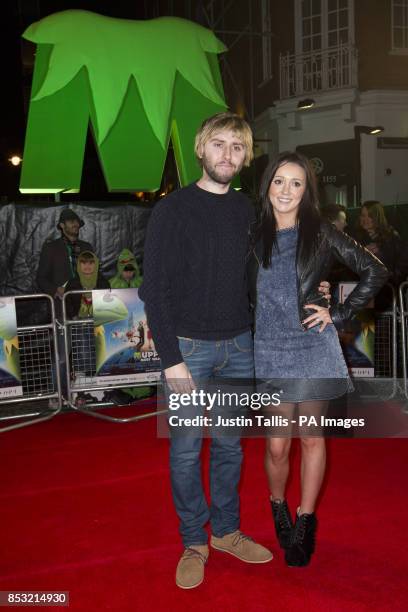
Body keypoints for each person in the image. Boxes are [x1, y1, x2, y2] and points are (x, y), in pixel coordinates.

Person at [139, 112, 276, 589]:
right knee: (184, 453)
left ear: (246, 156)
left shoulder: (247, 212)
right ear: (200, 149)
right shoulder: (172, 211)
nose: (227, 156)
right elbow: (153, 290)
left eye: (237, 148)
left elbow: (267, 274)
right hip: (190, 351)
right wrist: (172, 358)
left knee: (230, 449)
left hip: (241, 346)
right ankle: (194, 540)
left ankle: (226, 531)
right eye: (218, 145)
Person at [250, 151, 389, 568]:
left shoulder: (322, 231)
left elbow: (375, 270)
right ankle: (278, 505)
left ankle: (305, 520)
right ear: (268, 186)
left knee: (311, 438)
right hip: (270, 348)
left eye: (296, 183)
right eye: (279, 181)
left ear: (307, 190)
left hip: (314, 346)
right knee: (277, 446)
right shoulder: (253, 232)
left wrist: (341, 313)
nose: (287, 190)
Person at [108, 249, 151, 403]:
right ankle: (124, 391)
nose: (128, 273)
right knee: (124, 359)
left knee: (140, 358)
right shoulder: (112, 283)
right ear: (120, 268)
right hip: (122, 327)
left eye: (131, 269)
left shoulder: (142, 282)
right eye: (125, 270)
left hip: (141, 327)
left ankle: (143, 390)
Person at [37, 208, 94, 303]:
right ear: (62, 225)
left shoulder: (86, 247)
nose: (76, 224)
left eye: (77, 222)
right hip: (62, 303)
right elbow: (41, 278)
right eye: (71, 221)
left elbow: (95, 272)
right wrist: (56, 290)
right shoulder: (51, 248)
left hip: (85, 301)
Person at [352, 200, 408, 286]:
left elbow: (401, 266)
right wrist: (362, 254)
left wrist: (379, 255)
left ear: (377, 217)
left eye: (370, 216)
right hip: (361, 286)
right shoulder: (354, 237)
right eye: (363, 215)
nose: (365, 219)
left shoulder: (391, 237)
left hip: (386, 288)